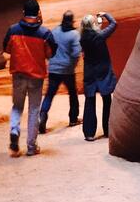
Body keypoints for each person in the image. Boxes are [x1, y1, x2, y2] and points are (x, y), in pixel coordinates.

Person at [3, 0, 56, 156]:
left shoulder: (13, 30)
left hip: (18, 75)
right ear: (38, 13)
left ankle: (14, 130)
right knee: (34, 110)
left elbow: (7, 49)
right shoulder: (45, 33)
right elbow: (50, 53)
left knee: (17, 107)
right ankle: (31, 147)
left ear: (24, 13)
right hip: (36, 77)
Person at [38, 10, 81, 133]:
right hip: (67, 70)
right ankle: (73, 119)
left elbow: (48, 48)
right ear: (72, 21)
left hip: (54, 69)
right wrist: (73, 63)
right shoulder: (74, 34)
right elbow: (76, 53)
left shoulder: (55, 31)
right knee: (72, 94)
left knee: (49, 95)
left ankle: (43, 115)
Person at [80, 12, 117, 141]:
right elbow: (114, 24)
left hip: (90, 72)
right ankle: (108, 130)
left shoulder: (83, 38)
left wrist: (97, 23)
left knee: (90, 101)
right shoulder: (99, 36)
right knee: (107, 100)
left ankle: (89, 133)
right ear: (93, 25)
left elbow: (94, 33)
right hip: (103, 72)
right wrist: (105, 14)